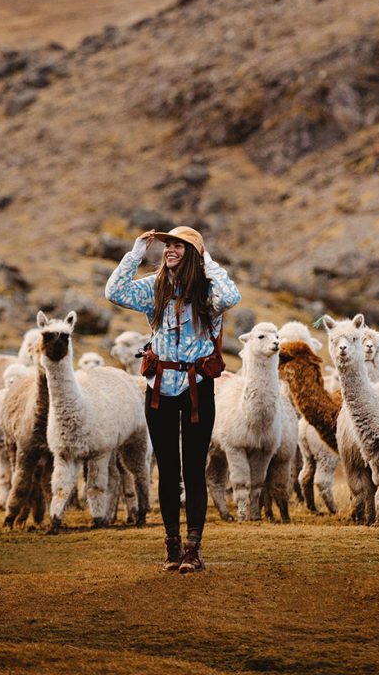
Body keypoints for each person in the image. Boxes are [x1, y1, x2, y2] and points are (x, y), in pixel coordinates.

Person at [104, 226, 241, 573]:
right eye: (168, 244)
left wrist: (208, 260)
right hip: (160, 387)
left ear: (192, 252)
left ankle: (193, 548)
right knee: (167, 469)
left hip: (196, 386)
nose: (170, 249)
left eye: (178, 245)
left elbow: (230, 297)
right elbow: (114, 291)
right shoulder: (155, 288)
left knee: (194, 468)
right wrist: (136, 253)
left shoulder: (208, 292)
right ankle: (172, 544)